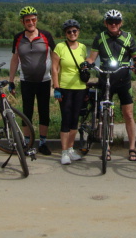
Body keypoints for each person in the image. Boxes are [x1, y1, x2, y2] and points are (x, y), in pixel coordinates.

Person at [84, 9, 136, 161]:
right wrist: (86, 64)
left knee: (128, 114)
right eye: (110, 22)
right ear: (105, 23)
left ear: (121, 23)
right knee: (105, 115)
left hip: (123, 80)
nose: (113, 24)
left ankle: (132, 147)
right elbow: (92, 57)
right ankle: (106, 147)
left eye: (116, 22)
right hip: (105, 79)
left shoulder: (128, 38)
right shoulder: (100, 38)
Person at [8, 6, 56, 155]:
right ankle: (27, 142)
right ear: (22, 22)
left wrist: (56, 80)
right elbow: (15, 59)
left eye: (33, 19)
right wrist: (11, 80)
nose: (31, 22)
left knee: (44, 112)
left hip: (44, 80)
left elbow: (55, 58)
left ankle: (42, 142)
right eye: (27, 20)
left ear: (37, 20)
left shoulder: (46, 35)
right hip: (26, 80)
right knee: (26, 112)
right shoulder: (18, 37)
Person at [51, 19, 88, 165]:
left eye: (75, 31)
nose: (72, 34)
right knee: (66, 119)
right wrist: (56, 88)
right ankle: (64, 152)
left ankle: (71, 149)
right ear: (65, 34)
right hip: (65, 88)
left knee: (75, 120)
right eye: (69, 32)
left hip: (80, 87)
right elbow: (54, 68)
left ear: (78, 32)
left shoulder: (83, 47)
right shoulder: (59, 47)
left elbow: (84, 66)